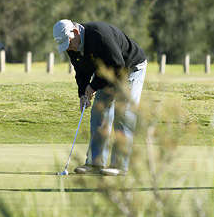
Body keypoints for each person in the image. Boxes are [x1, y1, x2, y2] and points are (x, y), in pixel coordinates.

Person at [52, 19, 147, 176]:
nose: (68, 47)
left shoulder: (98, 35)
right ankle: (94, 163)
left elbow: (117, 64)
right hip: (107, 71)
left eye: (68, 42)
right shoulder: (72, 46)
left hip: (130, 67)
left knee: (123, 113)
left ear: (75, 32)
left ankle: (119, 165)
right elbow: (81, 72)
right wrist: (83, 93)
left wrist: (94, 86)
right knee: (99, 113)